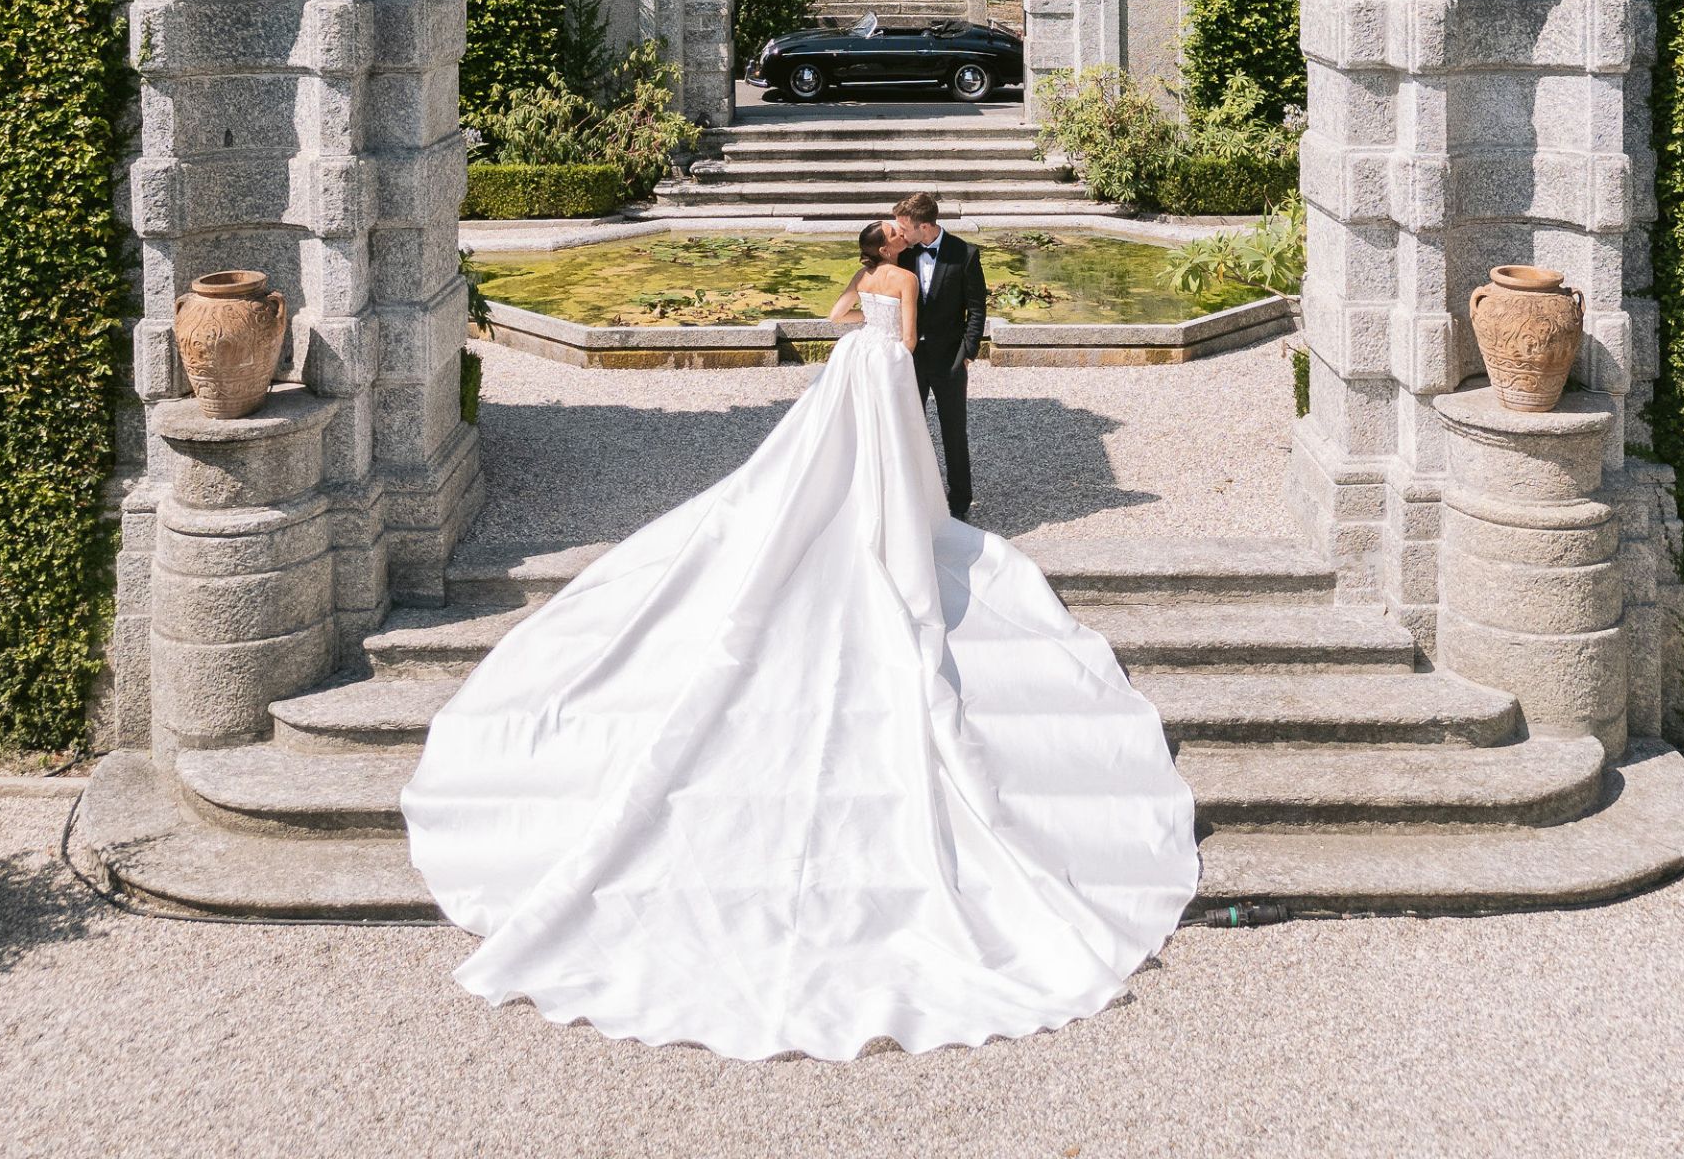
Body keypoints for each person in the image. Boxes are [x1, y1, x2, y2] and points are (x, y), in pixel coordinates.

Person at [401, 218, 1198, 1062]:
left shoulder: (863, 278)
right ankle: (890, 517)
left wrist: (863, 328)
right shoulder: (904, 280)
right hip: (884, 372)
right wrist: (898, 341)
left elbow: (837, 315)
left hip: (851, 366)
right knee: (894, 465)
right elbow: (914, 334)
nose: (900, 237)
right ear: (896, 249)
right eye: (896, 234)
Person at [890, 190, 983, 519]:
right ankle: (912, 498)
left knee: (953, 432)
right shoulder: (904, 254)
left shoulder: (965, 254)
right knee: (906, 429)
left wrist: (968, 353)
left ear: (925, 226)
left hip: (950, 359)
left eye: (904, 228)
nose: (900, 233)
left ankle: (960, 502)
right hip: (911, 359)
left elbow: (976, 310)